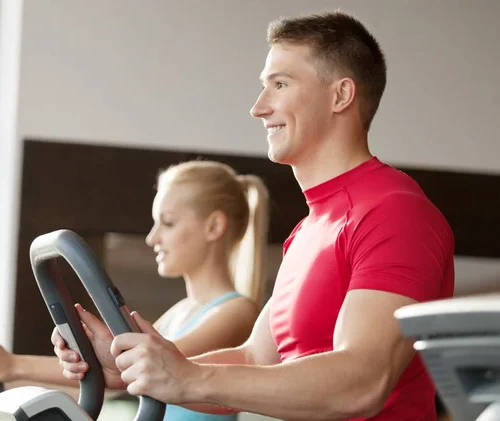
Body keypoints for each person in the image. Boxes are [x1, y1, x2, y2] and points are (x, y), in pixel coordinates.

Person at [52, 10, 455, 421]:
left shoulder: (395, 211)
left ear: (341, 95)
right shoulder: (308, 231)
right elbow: (254, 360)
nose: (258, 108)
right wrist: (131, 368)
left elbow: (363, 381)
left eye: (280, 84)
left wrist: (186, 377)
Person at [0, 160, 270, 420]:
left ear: (213, 226)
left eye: (167, 223)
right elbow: (108, 381)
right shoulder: (181, 311)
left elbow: (151, 372)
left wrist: (11, 364)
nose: (153, 237)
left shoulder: (236, 312)